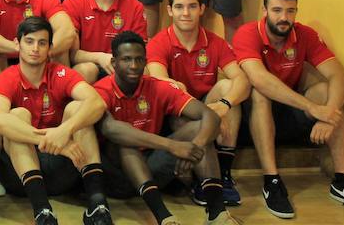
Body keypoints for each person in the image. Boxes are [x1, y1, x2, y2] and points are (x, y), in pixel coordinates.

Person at [232, 0, 344, 216]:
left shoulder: (305, 34)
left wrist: (328, 113)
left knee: (328, 91)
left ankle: (343, 180)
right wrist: (313, 108)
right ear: (264, 10)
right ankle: (272, 181)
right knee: (260, 92)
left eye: (290, 11)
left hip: (290, 113)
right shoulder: (247, 34)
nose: (284, 18)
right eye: (277, 10)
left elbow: (339, 76)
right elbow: (259, 79)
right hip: (253, 120)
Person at [96, 31, 238, 225]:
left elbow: (209, 115)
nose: (134, 66)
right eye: (126, 59)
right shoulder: (101, 90)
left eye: (139, 60)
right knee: (126, 141)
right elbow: (110, 129)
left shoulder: (156, 86)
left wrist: (195, 147)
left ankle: (217, 213)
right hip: (116, 178)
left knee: (199, 128)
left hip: (152, 168)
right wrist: (172, 146)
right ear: (113, 63)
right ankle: (163, 217)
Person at [0, 17, 111, 225]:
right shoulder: (7, 77)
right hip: (20, 175)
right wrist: (51, 139)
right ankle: (43, 212)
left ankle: (97, 206)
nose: (35, 48)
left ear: (50, 48)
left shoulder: (61, 73)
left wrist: (65, 129)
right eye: (29, 41)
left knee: (77, 108)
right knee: (17, 116)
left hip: (64, 168)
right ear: (17, 44)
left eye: (42, 43)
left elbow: (97, 103)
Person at [146, 0, 250, 205]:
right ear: (170, 10)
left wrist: (224, 104)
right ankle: (203, 181)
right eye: (180, 7)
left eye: (192, 6)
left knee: (227, 88)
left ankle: (223, 175)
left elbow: (242, 80)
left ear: (202, 9)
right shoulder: (158, 42)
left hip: (208, 103)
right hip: (177, 110)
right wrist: (203, 114)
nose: (186, 13)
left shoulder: (215, 42)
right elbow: (158, 80)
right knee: (175, 93)